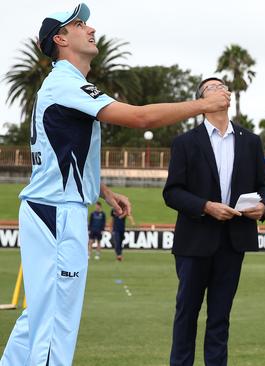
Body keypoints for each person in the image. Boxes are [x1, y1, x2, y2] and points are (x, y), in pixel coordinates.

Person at [0, 4, 230, 366]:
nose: (89, 29)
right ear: (60, 39)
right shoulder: (64, 82)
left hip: (50, 209)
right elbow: (139, 117)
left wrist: (102, 191)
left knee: (39, 317)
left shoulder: (65, 85)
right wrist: (203, 104)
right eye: (79, 24)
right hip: (57, 215)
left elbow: (63, 152)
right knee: (57, 320)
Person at [163, 75, 265, 365]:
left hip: (233, 241)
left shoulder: (251, 141)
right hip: (194, 241)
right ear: (201, 101)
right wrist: (206, 206)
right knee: (186, 314)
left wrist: (263, 206)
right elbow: (172, 192)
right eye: (212, 87)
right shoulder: (185, 142)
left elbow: (264, 187)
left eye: (223, 86)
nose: (220, 89)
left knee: (220, 318)